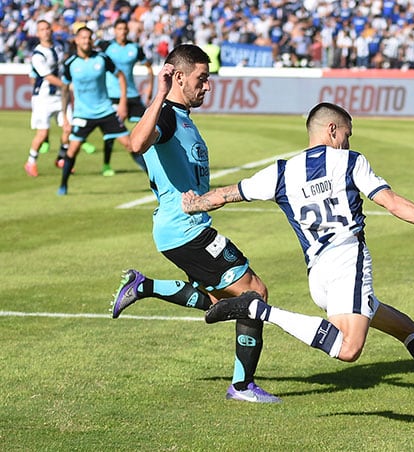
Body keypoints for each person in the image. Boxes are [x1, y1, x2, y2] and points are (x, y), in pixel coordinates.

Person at [181, 102, 414, 413]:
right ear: (332, 130)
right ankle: (259, 309)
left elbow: (226, 194)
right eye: (347, 134)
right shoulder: (349, 161)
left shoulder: (280, 172)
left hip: (319, 275)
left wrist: (194, 203)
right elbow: (392, 203)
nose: (349, 141)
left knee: (406, 329)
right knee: (349, 348)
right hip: (348, 261)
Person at [111, 44, 278, 404]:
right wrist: (159, 94)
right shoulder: (168, 116)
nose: (207, 86)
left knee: (218, 300)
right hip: (186, 230)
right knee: (255, 294)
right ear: (179, 77)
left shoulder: (181, 117)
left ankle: (145, 286)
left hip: (182, 228)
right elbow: (136, 142)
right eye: (202, 79)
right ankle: (243, 386)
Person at [58, 26, 132, 196]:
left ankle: (154, 183)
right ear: (76, 40)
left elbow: (120, 76)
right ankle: (63, 185)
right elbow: (64, 90)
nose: (86, 41)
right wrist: (65, 116)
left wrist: (122, 102)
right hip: (83, 114)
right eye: (83, 38)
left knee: (130, 145)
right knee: (73, 149)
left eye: (89, 38)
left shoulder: (101, 58)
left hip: (106, 111)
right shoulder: (70, 63)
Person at [97, 18, 153, 176]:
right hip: (112, 96)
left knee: (150, 126)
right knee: (112, 132)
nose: (122, 31)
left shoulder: (134, 48)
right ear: (114, 30)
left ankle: (152, 161)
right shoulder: (106, 46)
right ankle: (106, 164)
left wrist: (149, 88)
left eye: (124, 29)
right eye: (119, 28)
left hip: (132, 95)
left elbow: (149, 67)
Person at [24, 20, 70, 177]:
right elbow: (47, 76)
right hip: (43, 98)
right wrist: (66, 85)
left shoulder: (59, 46)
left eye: (47, 28)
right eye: (42, 29)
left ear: (51, 30)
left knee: (69, 128)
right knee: (42, 134)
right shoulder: (37, 55)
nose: (45, 32)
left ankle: (61, 159)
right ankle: (31, 162)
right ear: (38, 33)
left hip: (60, 97)